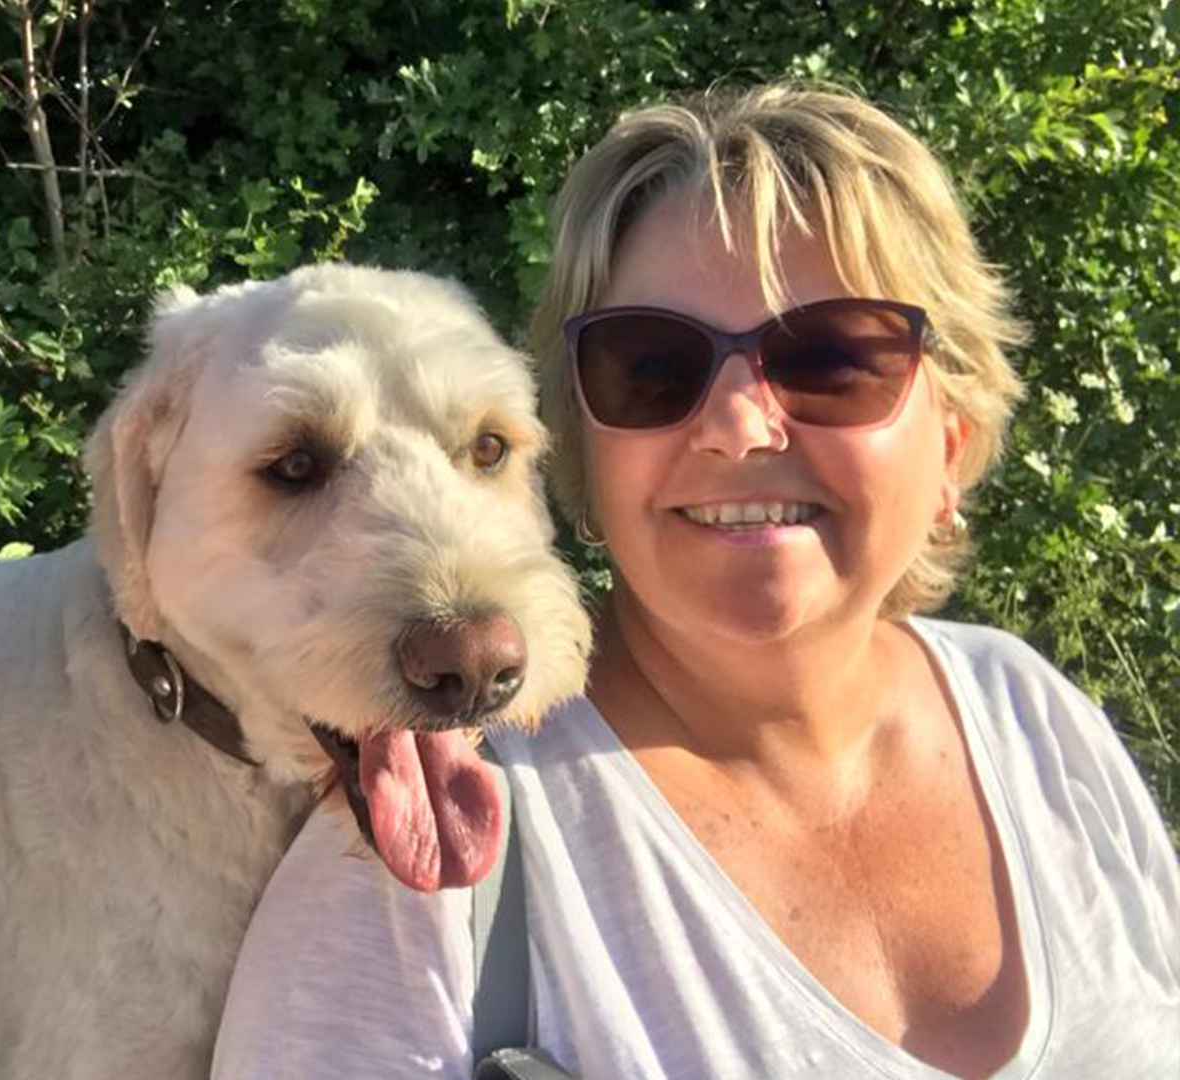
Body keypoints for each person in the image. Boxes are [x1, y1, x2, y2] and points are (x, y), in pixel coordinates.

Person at [209, 83, 1180, 1080]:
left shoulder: (1034, 720)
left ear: (952, 440)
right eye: (652, 368)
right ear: (584, 449)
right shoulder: (420, 873)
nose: (736, 426)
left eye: (832, 358)